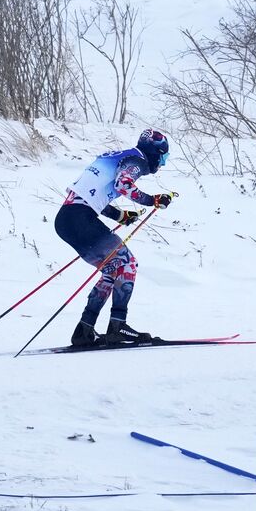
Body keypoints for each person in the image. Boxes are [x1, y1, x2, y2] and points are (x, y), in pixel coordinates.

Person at [55, 129, 175, 347]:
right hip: (80, 219)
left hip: (66, 219)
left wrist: (119, 215)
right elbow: (123, 185)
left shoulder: (114, 155)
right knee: (127, 263)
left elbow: (87, 194)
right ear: (155, 153)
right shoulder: (136, 160)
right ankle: (117, 327)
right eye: (163, 157)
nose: (163, 163)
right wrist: (153, 200)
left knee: (113, 268)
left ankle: (84, 329)